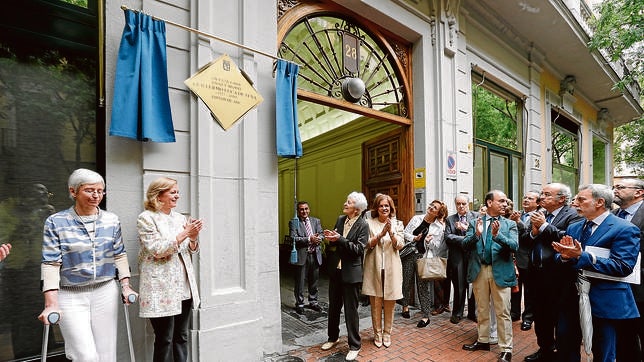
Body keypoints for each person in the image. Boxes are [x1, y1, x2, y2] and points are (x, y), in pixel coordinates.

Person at [39, 168, 137, 362]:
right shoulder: (56, 222)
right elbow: (50, 263)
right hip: (69, 293)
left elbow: (119, 255)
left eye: (100, 191)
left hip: (105, 290)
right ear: (73, 191)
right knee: (85, 356)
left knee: (107, 354)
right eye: (90, 190)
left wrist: (126, 286)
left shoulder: (111, 220)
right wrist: (51, 303)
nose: (96, 195)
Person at [553, 184, 640, 362]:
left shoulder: (624, 228)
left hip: (605, 299)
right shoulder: (575, 227)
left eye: (581, 199)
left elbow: (623, 266)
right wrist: (563, 257)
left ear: (600, 202)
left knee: (603, 350)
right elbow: (564, 258)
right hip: (572, 298)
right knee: (565, 345)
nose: (574, 202)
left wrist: (583, 256)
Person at [137, 177, 203, 362]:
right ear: (159, 194)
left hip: (183, 285)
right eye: (173, 192)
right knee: (164, 339)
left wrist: (194, 237)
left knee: (181, 336)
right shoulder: (146, 218)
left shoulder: (180, 218)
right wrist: (185, 234)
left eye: (177, 192)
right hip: (161, 286)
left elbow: (192, 251)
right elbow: (158, 250)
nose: (177, 196)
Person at [524, 183, 582, 362]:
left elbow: (569, 239)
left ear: (561, 199)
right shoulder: (541, 215)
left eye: (547, 194)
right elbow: (526, 240)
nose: (541, 197)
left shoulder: (573, 215)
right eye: (541, 193)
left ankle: (563, 354)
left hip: (559, 278)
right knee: (541, 318)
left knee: (562, 320)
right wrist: (534, 232)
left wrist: (543, 227)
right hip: (536, 275)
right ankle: (545, 349)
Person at [462, 190, 517, 362]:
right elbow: (465, 244)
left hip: (500, 271)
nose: (504, 205)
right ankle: (483, 340)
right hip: (480, 271)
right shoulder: (474, 223)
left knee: (503, 312)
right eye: (500, 201)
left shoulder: (509, 224)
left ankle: (506, 349)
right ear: (489, 203)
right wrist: (477, 235)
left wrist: (497, 236)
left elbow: (514, 246)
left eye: (505, 202)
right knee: (482, 309)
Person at [321, 191, 369, 361]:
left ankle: (355, 345)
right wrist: (330, 238)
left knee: (350, 311)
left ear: (356, 209)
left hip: (352, 273)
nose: (345, 204)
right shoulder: (341, 219)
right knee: (333, 307)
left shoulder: (363, 225)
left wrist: (340, 239)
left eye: (349, 202)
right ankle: (332, 338)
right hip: (336, 270)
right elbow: (337, 241)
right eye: (347, 201)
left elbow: (358, 249)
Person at [363, 194, 404, 348]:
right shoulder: (368, 223)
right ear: (376, 208)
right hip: (374, 268)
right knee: (375, 304)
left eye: (387, 206)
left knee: (389, 304)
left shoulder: (397, 223)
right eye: (381, 205)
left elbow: (399, 245)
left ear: (391, 208)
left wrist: (391, 232)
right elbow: (366, 244)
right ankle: (377, 333)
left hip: (391, 269)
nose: (384, 208)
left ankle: (387, 333)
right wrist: (381, 234)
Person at [402, 200, 447, 328]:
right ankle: (405, 306)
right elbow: (405, 233)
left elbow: (438, 247)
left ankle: (426, 315)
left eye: (435, 208)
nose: (431, 208)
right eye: (431, 205)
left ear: (438, 213)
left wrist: (428, 242)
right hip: (410, 254)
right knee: (407, 281)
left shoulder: (439, 227)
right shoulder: (417, 218)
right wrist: (414, 238)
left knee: (423, 287)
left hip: (424, 257)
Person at [613, 179, 644, 361]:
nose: (615, 190)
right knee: (625, 336)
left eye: (620, 187)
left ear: (639, 192)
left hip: (642, 286)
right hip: (621, 285)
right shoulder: (615, 214)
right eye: (615, 187)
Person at [444, 195, 479, 324]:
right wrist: (465, 239)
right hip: (457, 256)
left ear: (468, 204)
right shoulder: (450, 219)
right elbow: (448, 237)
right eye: (458, 203)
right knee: (459, 285)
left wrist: (466, 229)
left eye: (463, 203)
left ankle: (472, 313)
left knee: (473, 285)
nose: (461, 206)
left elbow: (479, 234)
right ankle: (457, 313)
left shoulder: (476, 217)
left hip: (473, 256)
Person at [509, 191, 539, 330]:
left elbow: (530, 235)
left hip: (529, 259)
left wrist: (518, 222)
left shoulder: (539, 216)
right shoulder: (516, 214)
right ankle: (514, 313)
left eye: (530, 198)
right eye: (525, 197)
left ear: (537, 202)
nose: (526, 200)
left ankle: (528, 318)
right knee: (515, 288)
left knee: (530, 291)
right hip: (515, 258)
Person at [289, 201, 324, 314]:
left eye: (306, 209)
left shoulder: (316, 221)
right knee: (300, 282)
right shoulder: (294, 222)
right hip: (302, 255)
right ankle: (299, 303)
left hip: (315, 255)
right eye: (301, 209)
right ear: (298, 211)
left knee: (314, 280)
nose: (304, 211)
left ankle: (313, 302)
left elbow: (321, 233)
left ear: (309, 209)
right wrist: (310, 239)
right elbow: (293, 238)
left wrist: (319, 238)